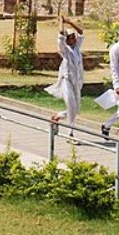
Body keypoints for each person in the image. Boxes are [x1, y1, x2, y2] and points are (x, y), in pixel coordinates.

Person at [48, 15, 85, 143]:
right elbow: (60, 35)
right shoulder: (65, 50)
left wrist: (70, 22)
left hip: (76, 82)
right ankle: (70, 134)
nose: (74, 39)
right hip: (66, 80)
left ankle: (57, 117)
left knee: (76, 109)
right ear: (67, 40)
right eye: (71, 38)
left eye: (73, 37)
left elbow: (80, 32)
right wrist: (61, 22)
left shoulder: (77, 49)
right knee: (72, 107)